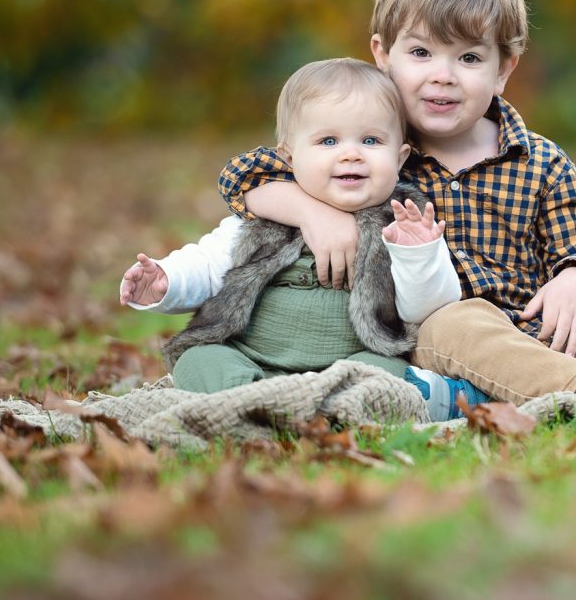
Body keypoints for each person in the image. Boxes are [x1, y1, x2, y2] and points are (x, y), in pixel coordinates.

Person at [216, 0, 576, 420]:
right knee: (453, 322)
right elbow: (245, 175)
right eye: (421, 53)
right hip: (438, 341)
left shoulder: (541, 162)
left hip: (541, 334)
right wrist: (310, 212)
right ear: (383, 54)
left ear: (503, 69)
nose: (443, 76)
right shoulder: (370, 150)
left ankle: (486, 398)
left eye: (468, 58)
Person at [119, 58, 469, 399]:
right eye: (328, 141)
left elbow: (428, 309)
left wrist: (418, 255)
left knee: (386, 377)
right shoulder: (267, 215)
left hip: (349, 365)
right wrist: (167, 281)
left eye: (371, 141)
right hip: (251, 356)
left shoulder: (403, 222)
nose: (351, 154)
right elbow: (209, 264)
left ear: (400, 157)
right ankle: (247, 400)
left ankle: (301, 410)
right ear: (289, 158)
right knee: (200, 359)